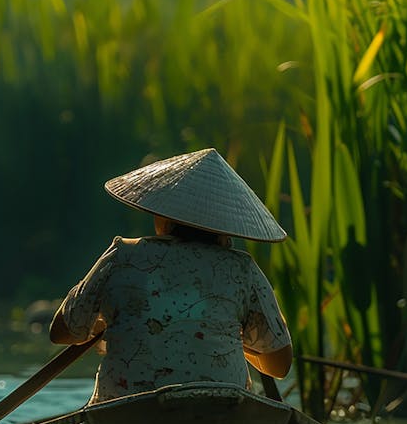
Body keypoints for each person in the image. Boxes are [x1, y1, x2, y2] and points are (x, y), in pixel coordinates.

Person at [49, 148, 293, 403]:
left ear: (166, 217)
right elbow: (279, 365)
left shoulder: (123, 254)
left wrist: (101, 324)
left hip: (125, 409)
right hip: (221, 409)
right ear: (226, 226)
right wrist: (233, 337)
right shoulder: (242, 269)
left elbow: (62, 332)